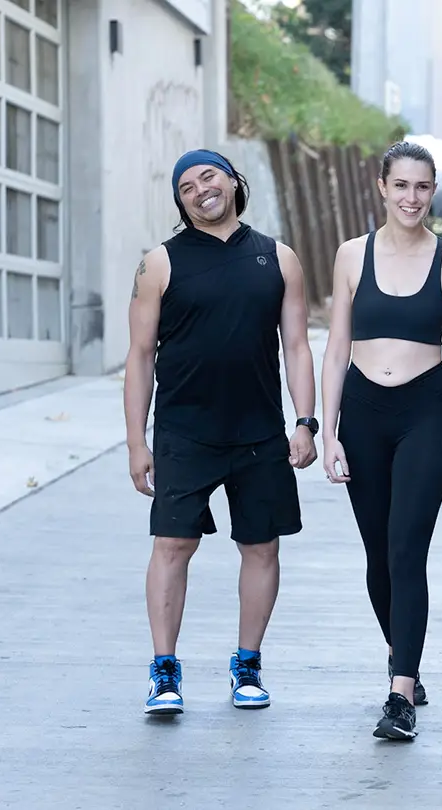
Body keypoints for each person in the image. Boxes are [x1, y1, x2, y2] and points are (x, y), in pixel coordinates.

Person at [125, 149, 318, 716]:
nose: (200, 189)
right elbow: (139, 356)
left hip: (260, 432)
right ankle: (165, 672)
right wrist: (138, 440)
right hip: (185, 431)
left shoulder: (278, 257)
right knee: (173, 545)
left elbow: (298, 347)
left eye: (208, 176)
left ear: (234, 180)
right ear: (181, 204)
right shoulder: (159, 262)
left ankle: (248, 666)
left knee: (260, 547)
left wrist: (304, 423)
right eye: (186, 186)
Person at [318, 141, 442, 741]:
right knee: (378, 556)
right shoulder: (351, 256)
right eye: (401, 185)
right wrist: (326, 430)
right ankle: (401, 653)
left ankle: (400, 693)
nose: (411, 197)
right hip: (362, 412)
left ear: (431, 192)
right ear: (382, 188)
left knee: (408, 549)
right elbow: (335, 349)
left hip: (424, 411)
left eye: (422, 187)